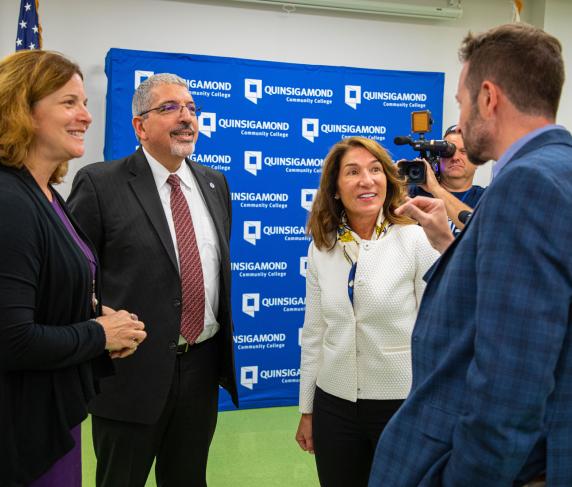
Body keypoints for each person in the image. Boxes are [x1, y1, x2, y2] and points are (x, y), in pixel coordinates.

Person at [369, 23, 572, 486]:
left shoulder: (526, 184)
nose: (459, 114)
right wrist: (450, 241)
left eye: (460, 102)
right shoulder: (558, 169)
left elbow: (511, 380)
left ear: (488, 96)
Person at [68, 73, 238, 487]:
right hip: (129, 373)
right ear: (140, 126)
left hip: (200, 367)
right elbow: (74, 277)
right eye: (170, 108)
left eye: (191, 108)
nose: (186, 118)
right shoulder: (100, 183)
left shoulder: (215, 184)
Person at [0, 50, 146, 487]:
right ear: (21, 109)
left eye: (84, 103)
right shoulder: (9, 201)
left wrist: (98, 320)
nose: (85, 116)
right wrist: (100, 335)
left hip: (51, 418)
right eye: (69, 103)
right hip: (20, 433)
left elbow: (48, 292)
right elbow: (12, 339)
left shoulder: (45, 195)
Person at [295, 136, 439, 487]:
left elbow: (436, 332)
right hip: (334, 405)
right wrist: (307, 410)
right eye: (353, 172)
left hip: (401, 404)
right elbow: (314, 333)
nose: (367, 180)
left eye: (375, 170)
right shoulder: (322, 246)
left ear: (388, 181)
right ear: (335, 187)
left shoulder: (416, 239)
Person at [409, 124, 485, 233]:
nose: (455, 158)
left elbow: (480, 232)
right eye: (448, 151)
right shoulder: (413, 194)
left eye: (463, 151)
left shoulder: (487, 197)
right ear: (438, 158)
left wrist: (435, 189)